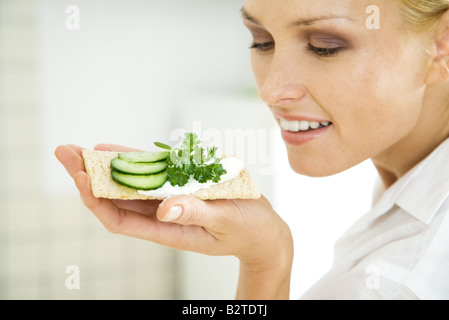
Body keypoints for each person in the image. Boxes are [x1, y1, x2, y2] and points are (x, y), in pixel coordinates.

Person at [55, 0, 449, 300]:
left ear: (441, 46)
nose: (271, 89)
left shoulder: (401, 280)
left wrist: (267, 265)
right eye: (261, 42)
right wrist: (267, 249)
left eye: (323, 46)